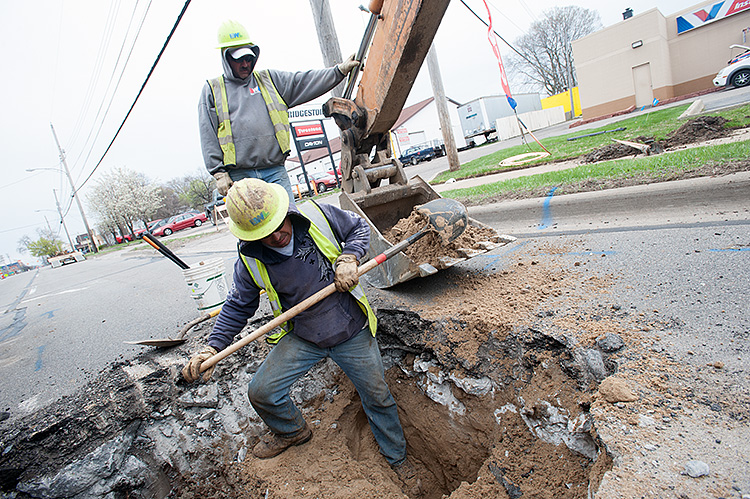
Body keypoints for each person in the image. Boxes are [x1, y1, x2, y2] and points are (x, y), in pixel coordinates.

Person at [182, 179, 421, 492]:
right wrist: (212, 347)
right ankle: (293, 431)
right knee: (262, 391)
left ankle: (398, 458)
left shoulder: (319, 216)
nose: (277, 236)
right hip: (304, 336)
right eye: (265, 235)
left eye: (279, 226)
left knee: (377, 397)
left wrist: (349, 257)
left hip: (350, 329)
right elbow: (238, 304)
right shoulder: (251, 258)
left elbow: (360, 230)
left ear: (286, 212)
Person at [198, 20, 359, 202]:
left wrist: (338, 71)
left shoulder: (269, 81)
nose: (245, 64)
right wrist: (218, 173)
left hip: (274, 169)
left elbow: (303, 81)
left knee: (288, 221)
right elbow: (208, 135)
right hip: (240, 176)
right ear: (226, 58)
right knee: (257, 227)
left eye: (249, 58)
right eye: (238, 59)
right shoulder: (213, 90)